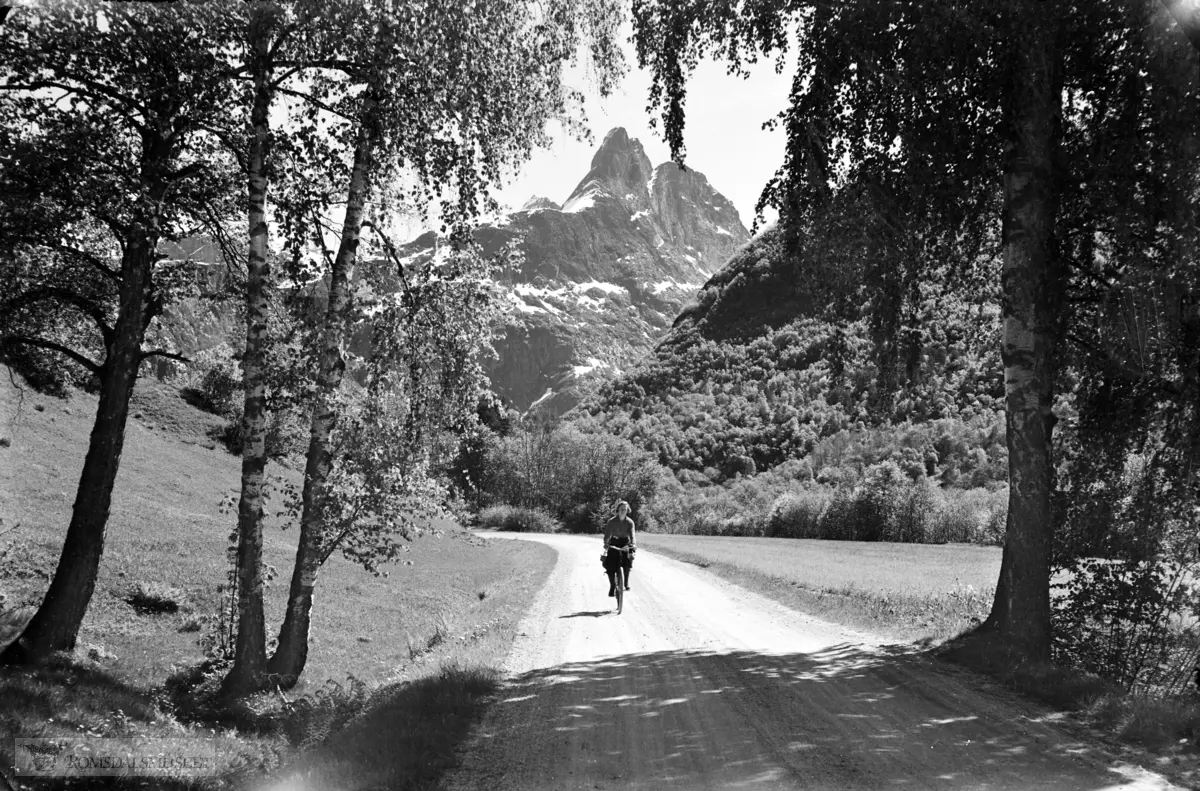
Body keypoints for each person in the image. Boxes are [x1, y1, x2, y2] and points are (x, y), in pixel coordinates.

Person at [602, 500, 636, 597]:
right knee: (610, 565)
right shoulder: (612, 521)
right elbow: (607, 535)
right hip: (614, 542)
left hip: (625, 542)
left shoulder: (630, 522)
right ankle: (612, 586)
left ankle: (625, 583)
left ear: (627, 510)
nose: (623, 511)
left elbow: (632, 535)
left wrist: (633, 544)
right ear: (617, 510)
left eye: (624, 510)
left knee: (627, 562)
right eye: (621, 509)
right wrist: (606, 543)